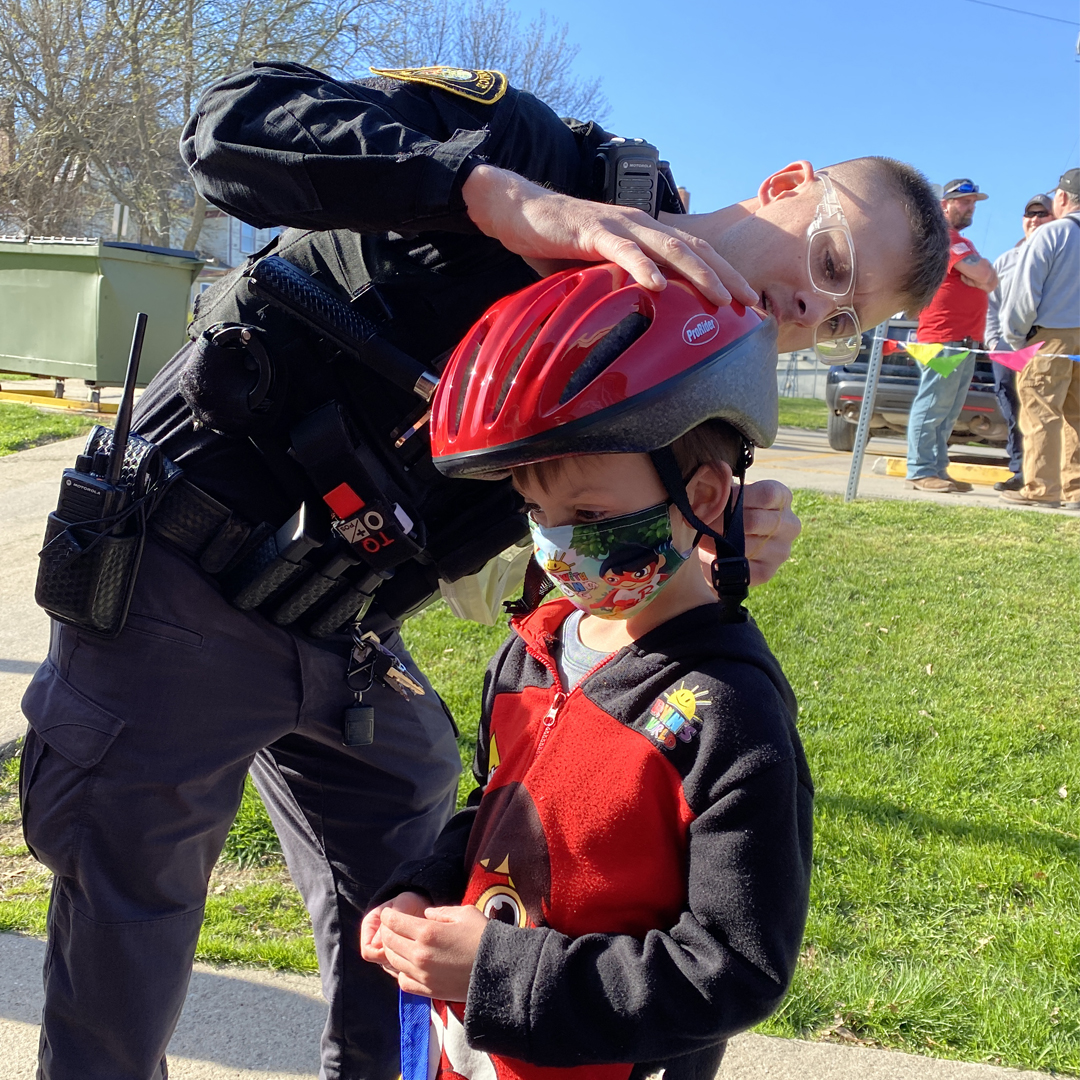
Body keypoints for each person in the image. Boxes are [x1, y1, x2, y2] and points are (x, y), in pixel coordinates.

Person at [18, 60, 946, 1080]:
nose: (808, 304)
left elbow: (567, 551)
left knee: (417, 878)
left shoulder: (691, 358)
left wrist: (710, 539)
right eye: (827, 255)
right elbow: (230, 126)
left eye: (843, 316)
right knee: (130, 916)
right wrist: (496, 198)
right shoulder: (552, 162)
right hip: (182, 584)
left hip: (349, 625)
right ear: (785, 181)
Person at [361, 263, 812, 1080]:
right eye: (537, 515)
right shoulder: (534, 651)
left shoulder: (728, 712)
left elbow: (736, 966)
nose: (558, 545)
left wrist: (497, 972)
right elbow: (496, 812)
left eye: (591, 516)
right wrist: (424, 888)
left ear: (705, 497)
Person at [906, 178, 999, 493]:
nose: (970, 207)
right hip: (943, 338)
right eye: (964, 201)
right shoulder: (944, 239)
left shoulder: (963, 243)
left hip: (964, 341)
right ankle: (920, 470)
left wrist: (979, 277)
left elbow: (989, 280)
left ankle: (937, 470)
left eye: (973, 202)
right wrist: (978, 277)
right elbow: (985, 274)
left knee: (946, 414)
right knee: (933, 406)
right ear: (943, 204)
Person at [999, 168, 1080, 510]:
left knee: (1041, 412)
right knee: (1077, 416)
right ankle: (1076, 490)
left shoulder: (1050, 235)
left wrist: (1015, 337)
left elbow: (1023, 296)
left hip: (1050, 337)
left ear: (1062, 197)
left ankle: (1042, 488)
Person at [985, 193, 1054, 491]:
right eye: (1030, 215)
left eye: (1042, 214)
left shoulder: (1063, 257)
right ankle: (1019, 471)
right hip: (1007, 350)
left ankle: (1048, 475)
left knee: (1043, 412)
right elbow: (992, 305)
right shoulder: (1006, 260)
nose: (1035, 220)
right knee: (1014, 412)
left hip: (1045, 348)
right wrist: (992, 341)